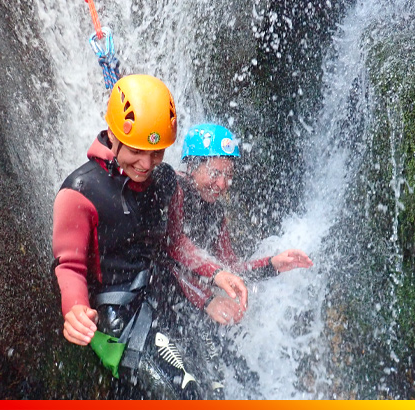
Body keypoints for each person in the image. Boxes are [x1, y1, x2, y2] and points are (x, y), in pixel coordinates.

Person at [52, 76, 247, 399]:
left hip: (161, 297)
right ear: (112, 136)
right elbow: (69, 266)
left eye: (156, 153)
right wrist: (75, 308)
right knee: (189, 394)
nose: (146, 164)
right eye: (137, 151)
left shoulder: (164, 181)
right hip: (119, 316)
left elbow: (174, 242)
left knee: (218, 382)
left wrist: (216, 272)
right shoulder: (81, 192)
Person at [164, 123, 314, 395]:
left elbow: (229, 271)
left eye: (228, 175)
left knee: (244, 376)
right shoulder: (174, 188)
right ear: (193, 166)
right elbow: (171, 250)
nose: (222, 184)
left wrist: (272, 265)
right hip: (168, 308)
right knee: (207, 387)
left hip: (193, 305)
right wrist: (207, 299)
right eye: (215, 173)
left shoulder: (214, 212)